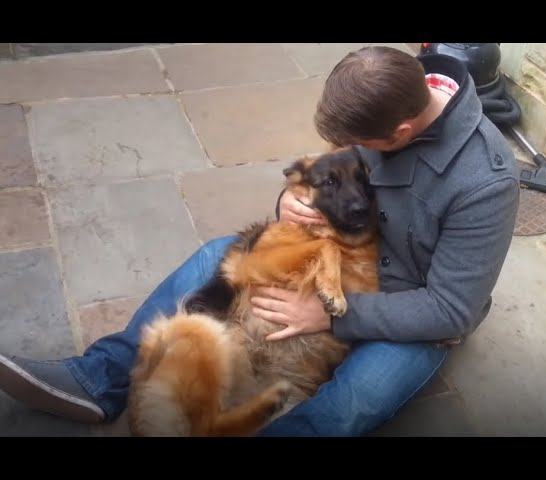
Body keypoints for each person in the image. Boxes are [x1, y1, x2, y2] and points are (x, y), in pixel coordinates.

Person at [0, 46, 519, 436]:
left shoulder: (485, 183)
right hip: (335, 257)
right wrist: (291, 204)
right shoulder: (382, 100)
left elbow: (451, 308)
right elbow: (322, 173)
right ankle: (99, 377)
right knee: (215, 255)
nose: (351, 150)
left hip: (408, 309)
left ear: (402, 132)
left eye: (362, 144)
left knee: (351, 401)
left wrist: (332, 316)